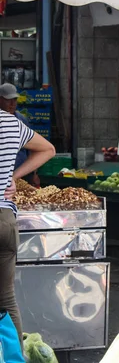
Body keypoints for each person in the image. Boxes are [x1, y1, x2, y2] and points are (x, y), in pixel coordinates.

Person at [0, 109, 55, 345]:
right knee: (6, 299)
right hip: (4, 218)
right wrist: (14, 176)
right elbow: (48, 149)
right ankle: (14, 358)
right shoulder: (11, 123)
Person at [0, 83, 40, 187]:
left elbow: (33, 148)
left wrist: (34, 174)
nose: (13, 103)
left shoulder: (21, 120)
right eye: (8, 100)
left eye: (15, 100)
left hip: (22, 174)